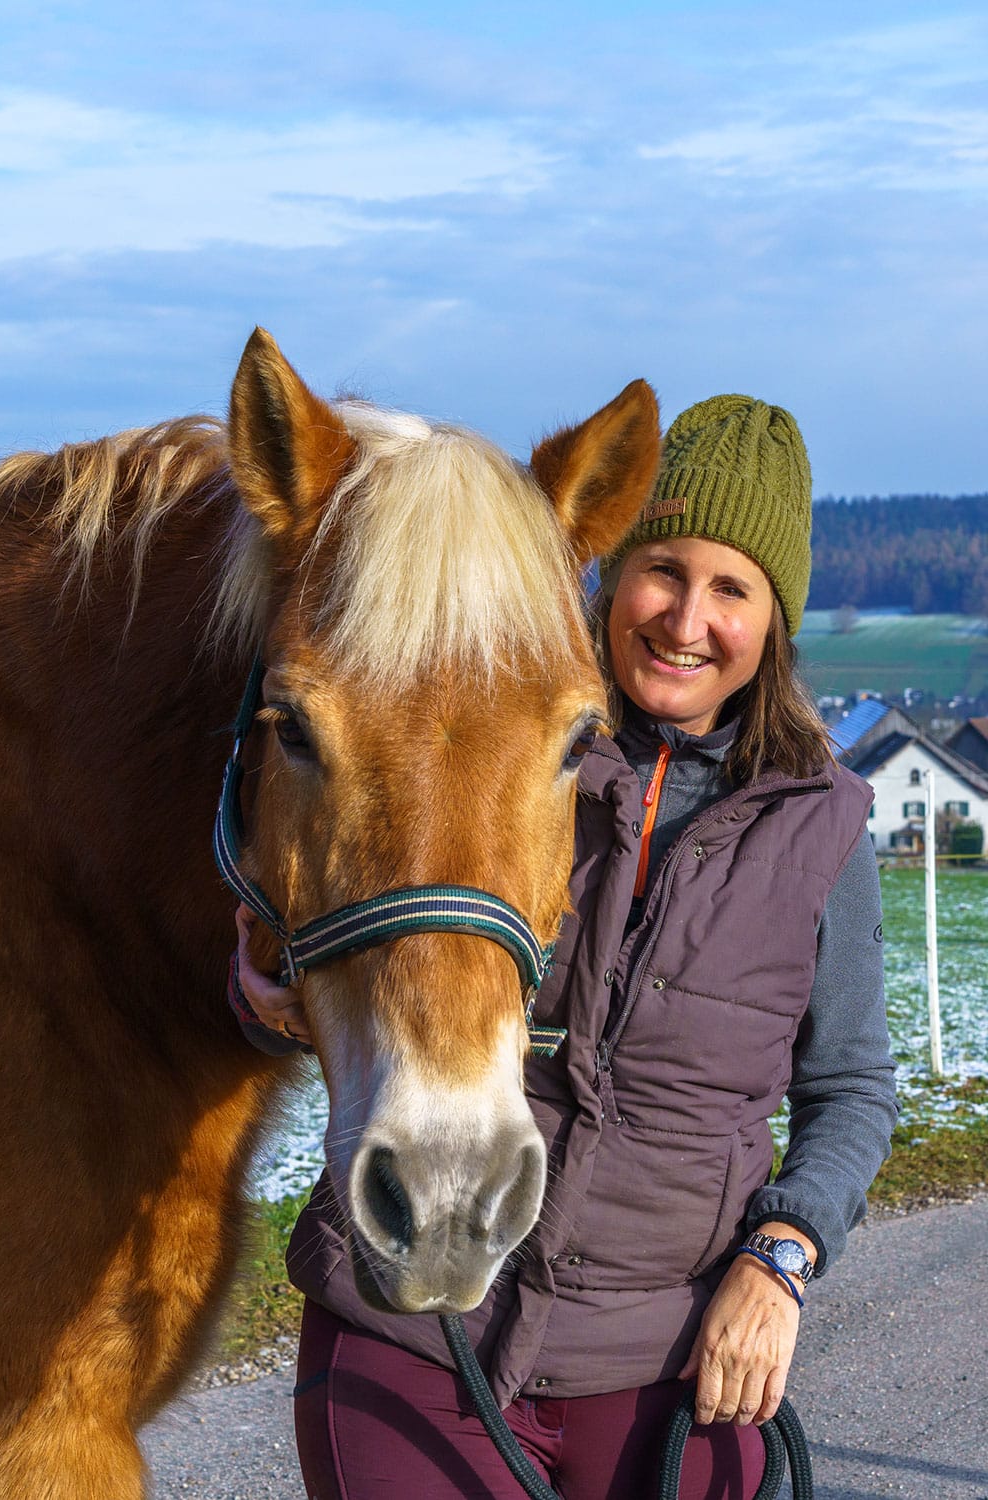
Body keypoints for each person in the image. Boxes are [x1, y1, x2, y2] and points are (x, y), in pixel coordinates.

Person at [229, 395, 897, 1500]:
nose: (685, 618)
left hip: (669, 1364)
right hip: (416, 1342)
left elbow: (853, 1091)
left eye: (731, 589)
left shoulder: (822, 828)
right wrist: (267, 974)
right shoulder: (495, 745)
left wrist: (782, 1259)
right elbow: (349, 897)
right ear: (607, 569)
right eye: (662, 570)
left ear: (773, 622)